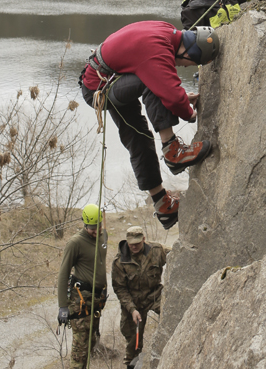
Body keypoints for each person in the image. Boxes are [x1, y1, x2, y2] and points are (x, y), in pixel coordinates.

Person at [79, 21, 219, 228]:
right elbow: (168, 91)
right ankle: (174, 152)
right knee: (153, 83)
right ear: (189, 53)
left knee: (138, 137)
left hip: (111, 75)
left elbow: (161, 78)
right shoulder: (158, 51)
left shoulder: (165, 31)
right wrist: (189, 113)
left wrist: (179, 96)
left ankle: (164, 206)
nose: (181, 66)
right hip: (99, 87)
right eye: (187, 64)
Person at [56, 204, 108, 369]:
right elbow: (63, 274)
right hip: (80, 300)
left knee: (90, 343)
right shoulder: (75, 243)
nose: (94, 231)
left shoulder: (102, 236)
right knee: (80, 345)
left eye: (97, 226)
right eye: (90, 228)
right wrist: (63, 306)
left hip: (95, 300)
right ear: (84, 224)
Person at [111, 225, 169, 369]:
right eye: (131, 243)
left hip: (155, 295)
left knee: (172, 316)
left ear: (144, 239)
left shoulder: (157, 250)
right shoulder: (119, 261)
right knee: (133, 341)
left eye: (137, 243)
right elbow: (120, 289)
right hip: (133, 302)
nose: (134, 246)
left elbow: (179, 253)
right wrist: (132, 309)